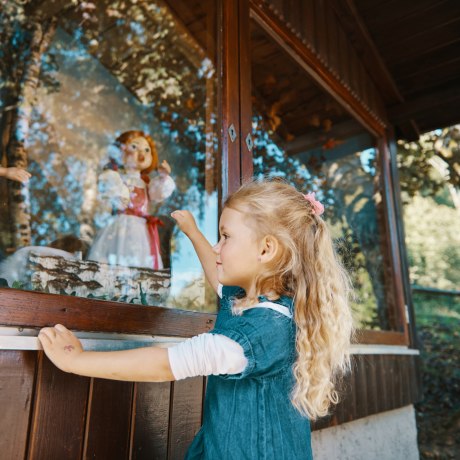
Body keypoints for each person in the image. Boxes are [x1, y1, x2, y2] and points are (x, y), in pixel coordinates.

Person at [38, 178, 354, 459]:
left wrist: (76, 361)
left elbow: (168, 363)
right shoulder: (261, 303)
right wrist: (192, 233)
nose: (218, 247)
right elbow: (218, 276)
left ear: (266, 249)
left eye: (226, 236)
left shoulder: (262, 331)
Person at [87, 130, 175, 270]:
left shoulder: (147, 184)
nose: (142, 153)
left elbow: (159, 192)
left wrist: (164, 177)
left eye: (147, 150)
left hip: (140, 232)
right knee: (113, 259)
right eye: (134, 147)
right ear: (121, 151)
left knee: (139, 263)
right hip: (119, 226)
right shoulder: (117, 178)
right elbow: (110, 193)